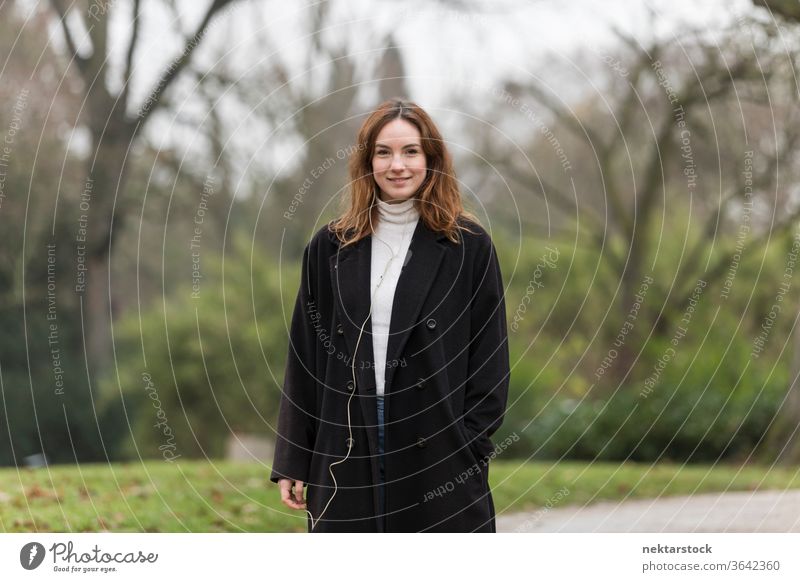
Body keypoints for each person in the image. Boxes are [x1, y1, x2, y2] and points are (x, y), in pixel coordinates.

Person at [270, 97, 510, 532]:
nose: (397, 165)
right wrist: (293, 457)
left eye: (410, 151)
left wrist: (469, 442)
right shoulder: (329, 247)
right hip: (347, 437)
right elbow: (305, 357)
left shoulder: (468, 245)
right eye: (384, 152)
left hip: (438, 441)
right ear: (367, 162)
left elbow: (490, 357)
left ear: (431, 159)